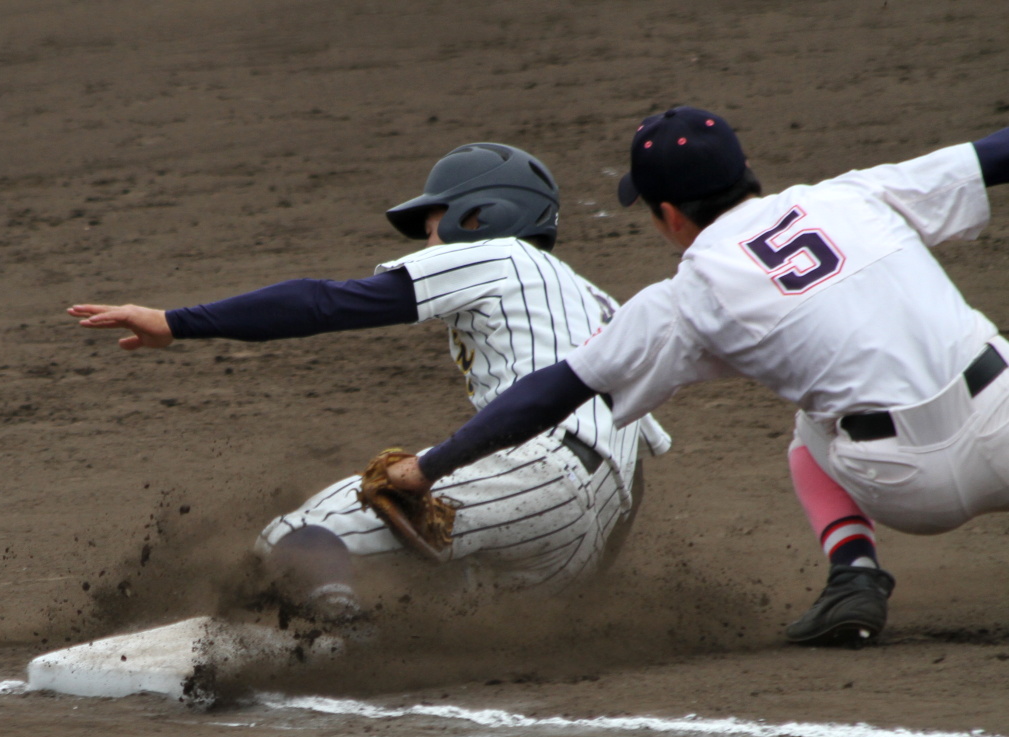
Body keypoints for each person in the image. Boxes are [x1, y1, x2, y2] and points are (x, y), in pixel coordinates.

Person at [384, 107, 1009, 647]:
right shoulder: (851, 195)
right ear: (744, 174)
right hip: (1001, 428)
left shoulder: (686, 297)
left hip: (904, 484)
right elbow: (991, 155)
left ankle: (854, 573)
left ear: (669, 216)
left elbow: (553, 391)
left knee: (814, 425)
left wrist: (430, 466)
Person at [69, 142, 670, 624]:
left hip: (538, 471)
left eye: (433, 224)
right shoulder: (600, 306)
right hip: (583, 538)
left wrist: (176, 323)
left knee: (299, 538)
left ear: (478, 215)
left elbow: (323, 303)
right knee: (435, 587)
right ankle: (371, 634)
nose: (428, 242)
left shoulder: (498, 254)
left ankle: (332, 641)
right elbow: (636, 468)